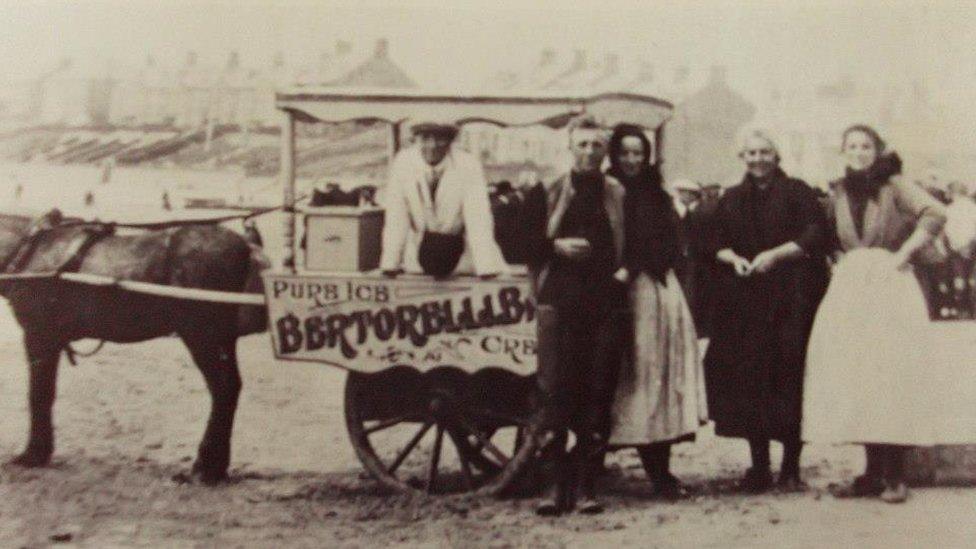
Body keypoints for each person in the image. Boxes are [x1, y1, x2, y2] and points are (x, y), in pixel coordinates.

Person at [803, 125, 948, 504]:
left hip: (889, 286)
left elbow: (934, 213)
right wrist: (837, 260)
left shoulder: (895, 184)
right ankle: (870, 472)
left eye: (866, 146)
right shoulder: (837, 190)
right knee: (859, 375)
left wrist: (902, 255)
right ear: (843, 151)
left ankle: (896, 476)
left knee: (889, 372)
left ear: (878, 150)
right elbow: (830, 237)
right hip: (851, 288)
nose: (859, 152)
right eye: (852, 145)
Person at [704, 129, 830, 492]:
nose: (758, 159)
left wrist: (777, 255)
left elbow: (815, 232)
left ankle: (791, 466)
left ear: (777, 156)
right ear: (741, 158)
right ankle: (759, 465)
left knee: (789, 376)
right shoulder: (731, 198)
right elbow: (713, 240)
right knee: (750, 380)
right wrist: (732, 258)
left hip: (792, 298)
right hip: (746, 302)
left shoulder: (798, 192)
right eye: (750, 153)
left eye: (765, 152)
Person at [521, 114, 629, 515]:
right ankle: (555, 488)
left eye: (596, 146)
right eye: (582, 145)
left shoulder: (618, 193)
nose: (589, 153)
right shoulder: (546, 191)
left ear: (605, 151)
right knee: (556, 393)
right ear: (569, 148)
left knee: (596, 394)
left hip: (605, 304)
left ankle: (586, 488)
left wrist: (623, 273)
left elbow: (637, 242)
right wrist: (555, 247)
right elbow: (520, 242)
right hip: (560, 302)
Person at [604, 125, 707, 499]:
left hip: (651, 292)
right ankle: (591, 462)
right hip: (612, 293)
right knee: (614, 376)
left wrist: (635, 266)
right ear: (613, 155)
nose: (631, 160)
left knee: (655, 376)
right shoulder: (604, 191)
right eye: (624, 153)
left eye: (638, 154)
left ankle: (660, 472)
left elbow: (666, 242)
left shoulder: (657, 196)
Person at [379, 117, 506, 278]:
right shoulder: (403, 163)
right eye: (425, 138)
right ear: (416, 140)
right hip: (419, 258)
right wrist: (390, 264)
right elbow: (396, 218)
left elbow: (478, 218)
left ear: (450, 141)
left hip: (463, 259)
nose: (432, 145)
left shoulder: (468, 164)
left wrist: (486, 267)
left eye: (440, 138)